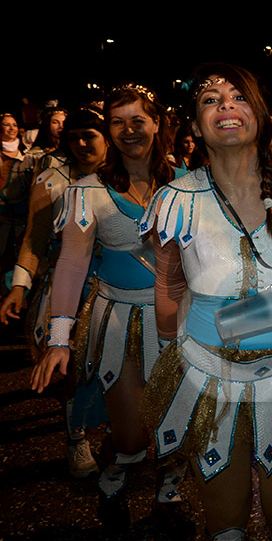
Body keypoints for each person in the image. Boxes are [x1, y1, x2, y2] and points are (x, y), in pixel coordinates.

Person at [141, 64, 272, 541]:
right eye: (211, 100)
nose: (226, 106)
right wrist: (167, 358)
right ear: (193, 125)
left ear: (260, 115)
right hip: (206, 376)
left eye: (238, 97)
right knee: (224, 520)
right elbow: (168, 286)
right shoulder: (175, 199)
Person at [30, 85, 186, 534]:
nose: (128, 131)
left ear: (157, 123)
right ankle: (114, 473)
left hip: (184, 320)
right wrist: (59, 341)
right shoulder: (86, 191)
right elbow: (73, 261)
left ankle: (170, 491)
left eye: (138, 120)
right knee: (134, 433)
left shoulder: (192, 181)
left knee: (179, 419)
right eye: (117, 122)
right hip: (121, 322)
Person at [0, 106, 108, 477]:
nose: (80, 143)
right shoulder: (51, 179)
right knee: (71, 369)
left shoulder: (126, 175)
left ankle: (116, 434)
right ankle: (76, 437)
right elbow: (34, 237)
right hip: (68, 287)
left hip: (118, 289)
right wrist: (19, 286)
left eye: (89, 135)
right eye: (73, 136)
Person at [1, 113, 35, 290]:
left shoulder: (28, 154)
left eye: (14, 124)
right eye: (7, 125)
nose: (11, 128)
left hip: (21, 221)